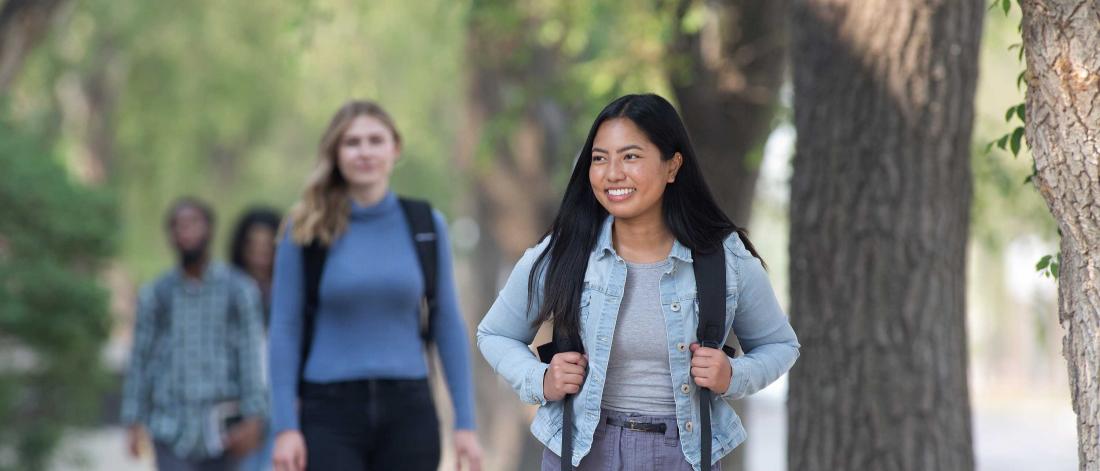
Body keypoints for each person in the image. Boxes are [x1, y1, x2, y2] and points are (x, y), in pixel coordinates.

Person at [476, 93, 800, 470]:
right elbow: (494, 334)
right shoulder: (565, 251)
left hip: (683, 454)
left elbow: (780, 345)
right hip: (582, 452)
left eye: (630, 156)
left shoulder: (723, 259)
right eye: (600, 159)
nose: (612, 173)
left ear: (672, 166)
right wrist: (541, 378)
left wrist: (733, 375)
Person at [268, 100, 483, 471]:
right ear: (335, 153)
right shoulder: (304, 229)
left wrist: (465, 423)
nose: (364, 151)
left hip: (408, 410)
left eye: (375, 140)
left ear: (394, 148)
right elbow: (285, 328)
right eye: (352, 143)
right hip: (329, 413)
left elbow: (447, 321)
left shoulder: (426, 225)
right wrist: (285, 426)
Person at [121, 197, 268, 471]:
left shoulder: (239, 290)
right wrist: (133, 419)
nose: (186, 232)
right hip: (170, 427)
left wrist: (255, 417)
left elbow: (250, 356)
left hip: (223, 428)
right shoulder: (156, 294)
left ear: (209, 230)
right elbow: (140, 358)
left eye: (193, 224)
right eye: (178, 226)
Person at [229, 207, 282, 471]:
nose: (260, 252)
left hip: (281, 399)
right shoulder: (230, 291)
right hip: (240, 402)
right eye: (253, 244)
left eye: (268, 244)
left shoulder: (288, 291)